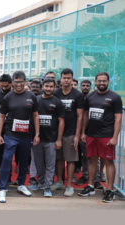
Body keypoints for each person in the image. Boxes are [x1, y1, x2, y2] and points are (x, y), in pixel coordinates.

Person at [0, 71, 40, 203]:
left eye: (21, 82)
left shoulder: (32, 96)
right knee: (6, 160)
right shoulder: (8, 97)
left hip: (26, 135)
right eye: (16, 82)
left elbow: (36, 116)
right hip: (10, 134)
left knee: (23, 162)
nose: (19, 84)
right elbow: (2, 117)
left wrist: (37, 134)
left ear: (25, 82)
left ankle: (21, 184)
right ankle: (2, 188)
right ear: (12, 83)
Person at [79, 72, 122, 203]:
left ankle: (110, 190)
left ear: (108, 82)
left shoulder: (115, 97)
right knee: (92, 160)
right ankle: (91, 186)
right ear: (95, 82)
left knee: (108, 162)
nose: (101, 83)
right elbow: (85, 115)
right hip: (91, 134)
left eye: (104, 81)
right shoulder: (90, 96)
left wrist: (115, 137)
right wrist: (83, 133)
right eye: (99, 81)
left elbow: (118, 118)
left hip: (106, 135)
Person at [29, 78, 65, 197]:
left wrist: (59, 139)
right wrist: (35, 135)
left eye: (51, 86)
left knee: (50, 165)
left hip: (51, 139)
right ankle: (40, 183)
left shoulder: (57, 102)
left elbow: (61, 121)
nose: (48, 88)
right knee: (38, 163)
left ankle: (48, 186)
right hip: (37, 138)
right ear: (42, 87)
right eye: (46, 86)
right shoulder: (36, 100)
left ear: (54, 88)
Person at [52, 68, 84, 197]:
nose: (66, 80)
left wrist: (77, 135)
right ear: (60, 79)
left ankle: (69, 185)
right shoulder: (55, 93)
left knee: (70, 160)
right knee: (59, 158)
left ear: (72, 79)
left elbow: (80, 117)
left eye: (69, 78)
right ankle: (59, 181)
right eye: (64, 77)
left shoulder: (78, 95)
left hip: (71, 132)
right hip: (56, 133)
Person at [75, 80, 103, 189]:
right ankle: (85, 176)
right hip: (84, 132)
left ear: (91, 86)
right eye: (83, 85)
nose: (85, 87)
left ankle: (96, 180)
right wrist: (81, 132)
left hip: (97, 132)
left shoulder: (94, 97)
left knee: (95, 157)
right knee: (85, 156)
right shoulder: (79, 98)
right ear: (80, 87)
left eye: (87, 86)